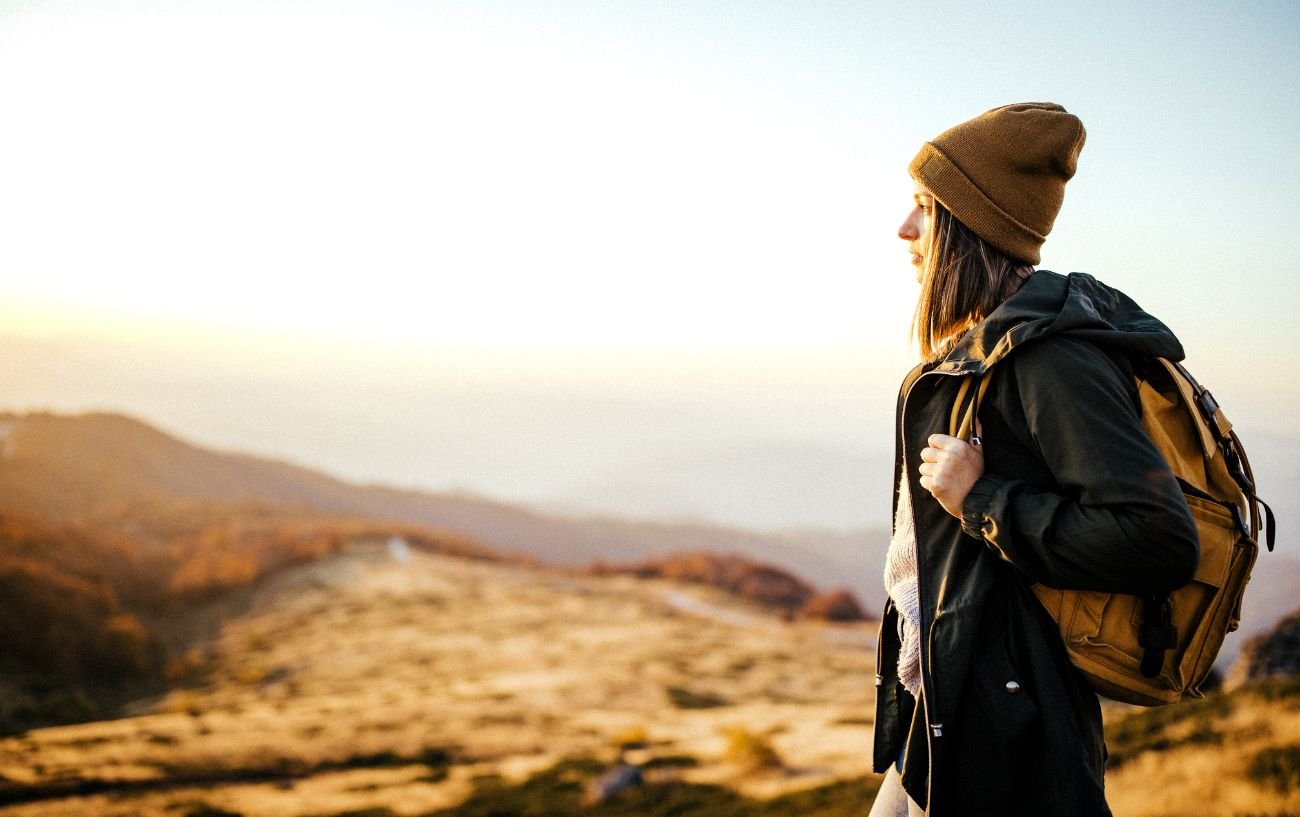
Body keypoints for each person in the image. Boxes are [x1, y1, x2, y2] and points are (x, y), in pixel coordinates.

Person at [869, 103, 1200, 817]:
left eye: (925, 209)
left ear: (969, 227)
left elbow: (1159, 537)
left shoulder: (1051, 360)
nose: (903, 229)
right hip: (949, 715)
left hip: (1012, 739)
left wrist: (981, 500)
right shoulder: (983, 349)